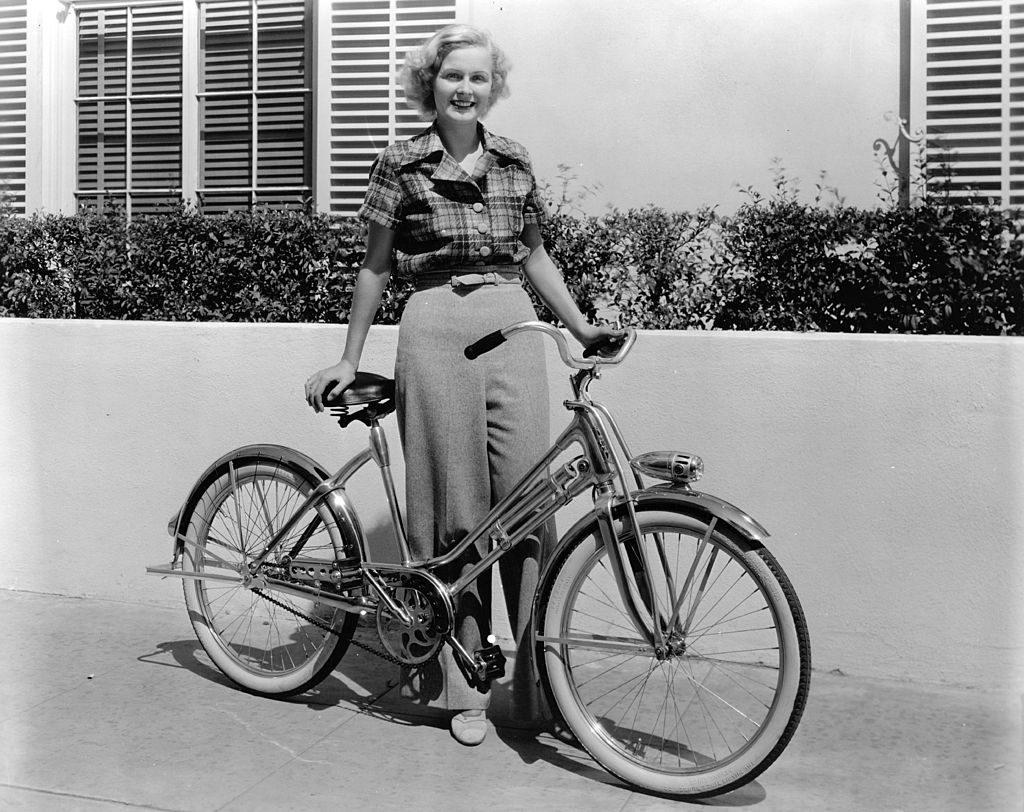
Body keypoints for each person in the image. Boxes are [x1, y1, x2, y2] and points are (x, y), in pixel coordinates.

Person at [304, 24, 621, 746]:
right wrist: (350, 359)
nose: (465, 89)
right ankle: (462, 686)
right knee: (453, 506)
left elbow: (535, 255)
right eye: (453, 76)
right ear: (431, 83)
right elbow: (376, 267)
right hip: (434, 327)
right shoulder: (399, 162)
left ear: (492, 87)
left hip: (513, 324)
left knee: (527, 501)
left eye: (479, 78)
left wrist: (578, 327)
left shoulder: (514, 160)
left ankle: (540, 688)